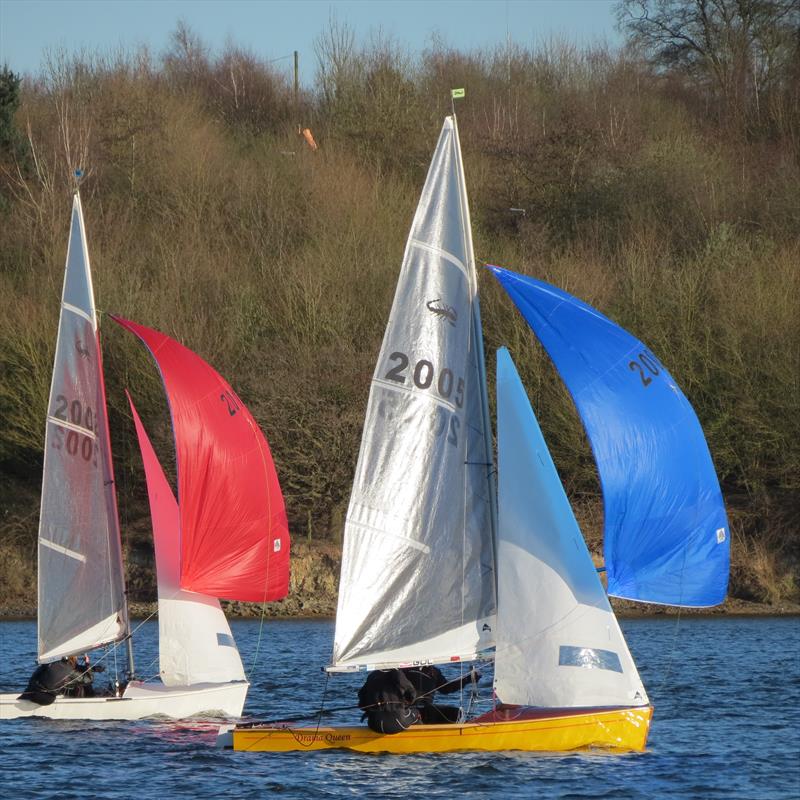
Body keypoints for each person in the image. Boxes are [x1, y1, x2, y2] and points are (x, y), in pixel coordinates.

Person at [402, 665, 481, 724]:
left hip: (427, 710)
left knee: (457, 714)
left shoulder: (433, 671)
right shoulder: (403, 670)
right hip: (406, 710)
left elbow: (446, 688)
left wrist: (467, 679)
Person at [18, 655, 105, 705]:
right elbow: (88, 679)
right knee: (81, 685)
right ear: (73, 660)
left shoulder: (49, 664)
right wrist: (87, 664)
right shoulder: (70, 671)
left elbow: (35, 677)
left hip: (30, 692)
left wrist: (91, 669)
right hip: (45, 699)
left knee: (62, 683)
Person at [357, 669, 421, 734]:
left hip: (374, 725)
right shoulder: (397, 673)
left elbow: (362, 702)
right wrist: (407, 704)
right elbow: (412, 694)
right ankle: (420, 737)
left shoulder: (372, 676)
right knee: (416, 712)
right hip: (396, 724)